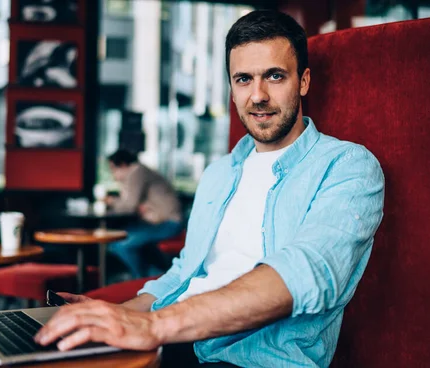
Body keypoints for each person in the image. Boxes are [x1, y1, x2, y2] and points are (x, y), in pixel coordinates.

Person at [34, 10, 385, 368]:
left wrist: (153, 325)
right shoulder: (219, 173)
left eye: (275, 76)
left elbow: (305, 273)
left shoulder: (348, 166)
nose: (258, 95)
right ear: (232, 89)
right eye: (243, 79)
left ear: (304, 81)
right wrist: (115, 315)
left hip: (250, 360)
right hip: (175, 344)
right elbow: (186, 272)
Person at [105, 149, 183, 279]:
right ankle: (155, 277)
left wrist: (112, 201)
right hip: (160, 223)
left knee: (119, 244)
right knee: (120, 239)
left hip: (169, 224)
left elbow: (129, 206)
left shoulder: (137, 172)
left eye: (113, 169)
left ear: (123, 165)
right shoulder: (140, 172)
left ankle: (145, 278)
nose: (113, 174)